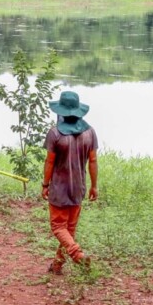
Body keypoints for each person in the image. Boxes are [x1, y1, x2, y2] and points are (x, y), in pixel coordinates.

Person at [42, 91, 99, 275]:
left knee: (58, 227)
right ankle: (57, 265)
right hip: (78, 188)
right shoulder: (90, 132)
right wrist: (93, 185)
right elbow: (93, 161)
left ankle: (78, 255)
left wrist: (45, 184)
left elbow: (49, 161)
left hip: (59, 188)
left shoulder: (55, 133)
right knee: (70, 229)